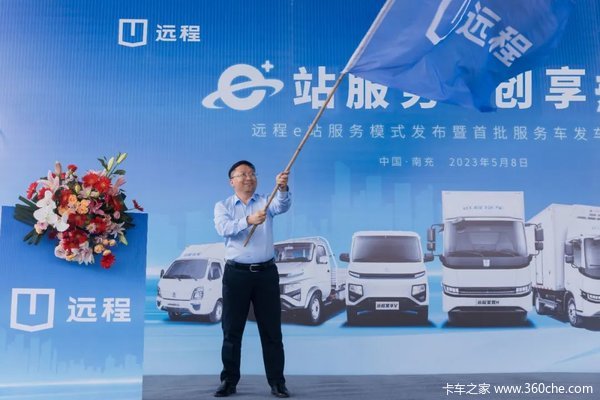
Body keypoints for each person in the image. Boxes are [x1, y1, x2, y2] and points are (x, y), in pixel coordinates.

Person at [213, 160, 291, 398]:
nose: (249, 178)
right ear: (232, 181)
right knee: (231, 330)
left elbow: (283, 205)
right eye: (243, 174)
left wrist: (282, 188)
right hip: (236, 275)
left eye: (253, 174)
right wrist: (248, 220)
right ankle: (229, 381)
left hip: (266, 274)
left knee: (272, 331)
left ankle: (277, 382)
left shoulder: (266, 201)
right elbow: (223, 228)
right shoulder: (223, 206)